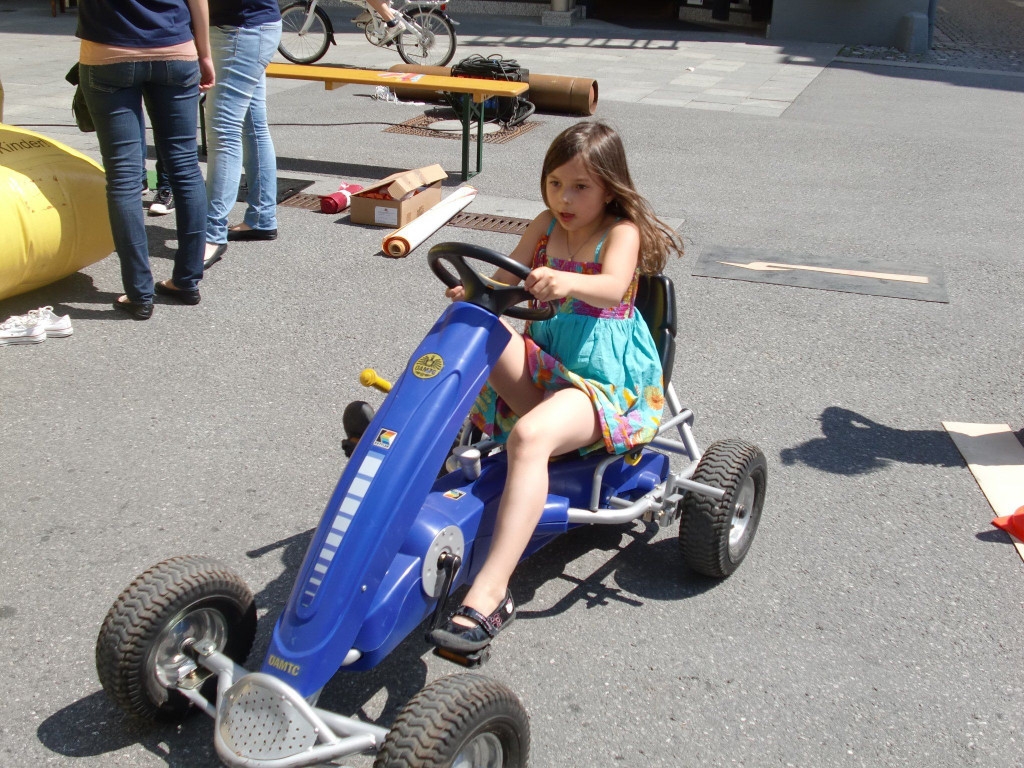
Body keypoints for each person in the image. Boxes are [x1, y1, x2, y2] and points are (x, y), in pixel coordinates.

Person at [429, 121, 683, 655]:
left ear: (609, 188)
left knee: (528, 439)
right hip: (548, 370)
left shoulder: (621, 232)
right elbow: (504, 282)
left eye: (580, 187)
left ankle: (492, 592)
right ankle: (407, 444)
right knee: (468, 329)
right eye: (555, 184)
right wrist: (472, 291)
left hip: (602, 385)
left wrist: (566, 281)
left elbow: (612, 285)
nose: (564, 199)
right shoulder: (544, 224)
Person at [77, 0, 215, 319]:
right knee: (185, 168)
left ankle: (139, 294)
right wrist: (205, 53)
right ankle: (187, 281)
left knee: (123, 178)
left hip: (107, 52)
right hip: (175, 48)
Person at [202, 0, 283, 268]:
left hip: (239, 30)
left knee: (224, 132)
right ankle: (261, 218)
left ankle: (212, 234)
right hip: (252, 27)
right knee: (253, 125)